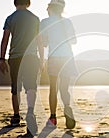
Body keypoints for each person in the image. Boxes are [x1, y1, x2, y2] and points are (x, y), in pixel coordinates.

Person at [0, 0, 44, 135]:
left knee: (15, 87)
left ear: (15, 2)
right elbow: (39, 40)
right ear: (28, 3)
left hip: (15, 57)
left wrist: (1, 58)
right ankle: (30, 112)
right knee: (31, 86)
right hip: (31, 57)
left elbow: (5, 39)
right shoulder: (35, 18)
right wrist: (42, 59)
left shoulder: (10, 18)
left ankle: (16, 115)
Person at [40, 0, 77, 129]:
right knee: (64, 88)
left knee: (53, 88)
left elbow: (43, 42)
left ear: (50, 8)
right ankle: (67, 108)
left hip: (54, 57)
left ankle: (53, 117)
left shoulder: (44, 22)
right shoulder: (67, 22)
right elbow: (74, 41)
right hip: (67, 57)